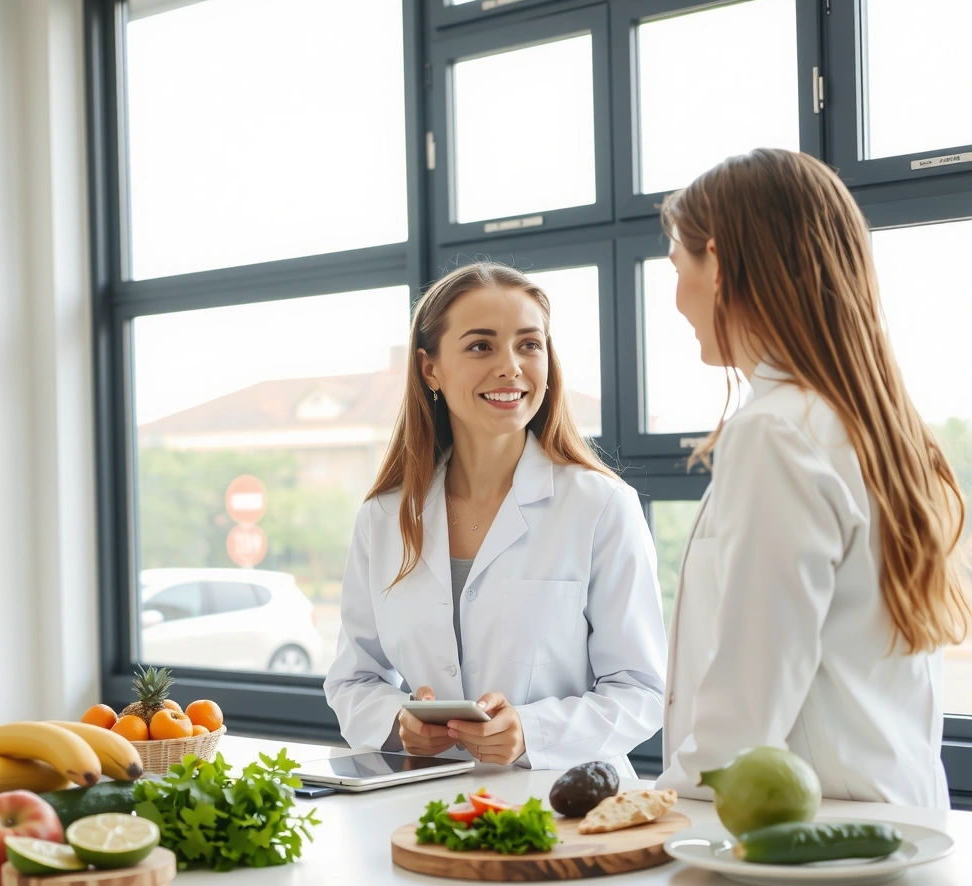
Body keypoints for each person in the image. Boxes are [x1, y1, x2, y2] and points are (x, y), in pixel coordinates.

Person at [654, 148, 971, 807]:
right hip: (895, 830)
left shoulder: (775, 432)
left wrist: (646, 806)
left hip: (810, 850)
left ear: (717, 264)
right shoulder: (873, 428)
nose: (675, 295)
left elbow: (744, 715)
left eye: (676, 265)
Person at [324, 262, 667, 771]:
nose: (511, 367)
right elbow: (353, 678)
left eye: (529, 345)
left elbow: (642, 690)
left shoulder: (600, 507)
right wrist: (398, 722)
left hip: (565, 810)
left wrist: (533, 731)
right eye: (481, 346)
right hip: (425, 807)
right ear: (430, 369)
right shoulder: (383, 517)